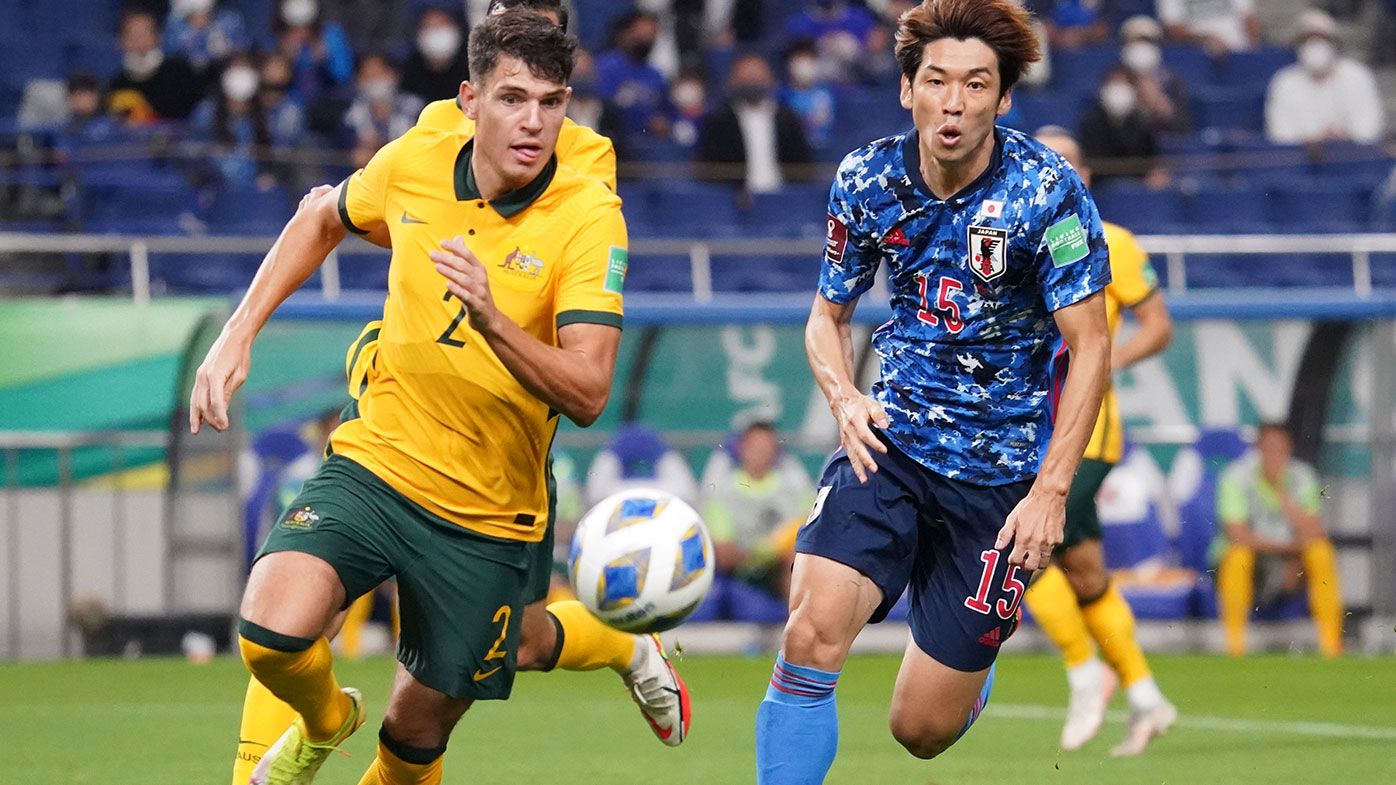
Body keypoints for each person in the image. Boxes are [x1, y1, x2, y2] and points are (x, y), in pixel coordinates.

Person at [223, 6, 685, 785]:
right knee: (281, 625)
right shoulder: (431, 140)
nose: (531, 116)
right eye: (510, 94)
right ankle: (318, 725)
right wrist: (237, 334)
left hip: (491, 488)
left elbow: (584, 380)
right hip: (385, 443)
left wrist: (491, 317)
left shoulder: (587, 184)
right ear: (472, 90)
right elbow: (342, 214)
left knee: (452, 699)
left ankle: (618, 640)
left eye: (549, 97)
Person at [754, 2, 1111, 781]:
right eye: (938, 80)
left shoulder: (1048, 193)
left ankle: (964, 678)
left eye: (977, 84)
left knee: (919, 729)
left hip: (1001, 480)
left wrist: (1053, 490)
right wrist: (847, 398)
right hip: (891, 442)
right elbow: (826, 316)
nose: (955, 102)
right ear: (907, 89)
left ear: (1004, 98)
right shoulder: (867, 178)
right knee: (809, 630)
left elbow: (1092, 346)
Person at [1024, 126, 1178, 758]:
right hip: (1024, 432)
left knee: (1014, 545)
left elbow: (1158, 326)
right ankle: (1145, 695)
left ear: (1084, 177)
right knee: (1084, 572)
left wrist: (1104, 365)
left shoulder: (1111, 241)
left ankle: (1085, 673)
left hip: (1085, 435)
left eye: (1066, 162)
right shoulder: (1011, 243)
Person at [1214, 423, 1344, 658]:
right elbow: (1237, 535)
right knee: (1237, 556)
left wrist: (1282, 494)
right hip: (1254, 565)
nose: (1274, 454)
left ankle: (1331, 648)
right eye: (1268, 448)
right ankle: (1234, 648)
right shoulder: (1236, 477)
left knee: (1321, 552)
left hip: (1291, 563)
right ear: (1257, 449)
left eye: (1279, 448)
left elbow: (1314, 530)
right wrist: (1290, 548)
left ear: (1289, 449)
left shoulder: (1302, 477)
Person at [701, 421, 815, 599]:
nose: (760, 454)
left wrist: (780, 549)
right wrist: (761, 554)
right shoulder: (721, 492)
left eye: (766, 447)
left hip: (783, 570)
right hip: (741, 575)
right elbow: (723, 554)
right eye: (755, 447)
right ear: (741, 448)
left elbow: (811, 529)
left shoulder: (795, 488)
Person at [697, 52, 814, 193]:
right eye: (746, 77)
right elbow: (711, 167)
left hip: (783, 198)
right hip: (734, 200)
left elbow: (802, 164)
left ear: (770, 79)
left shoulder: (787, 119)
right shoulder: (719, 120)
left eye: (757, 76)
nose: (752, 82)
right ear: (732, 80)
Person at [1264, 9, 1384, 145]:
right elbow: (1280, 135)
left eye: (1321, 39)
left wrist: (1339, 138)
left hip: (1353, 158)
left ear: (1334, 43)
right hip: (1301, 162)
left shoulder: (1358, 76)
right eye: (1306, 40)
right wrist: (1315, 139)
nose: (1314, 45)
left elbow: (1369, 130)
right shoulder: (1284, 82)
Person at [108, 9, 203, 122]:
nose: (139, 39)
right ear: (122, 40)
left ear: (157, 36)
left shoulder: (179, 70)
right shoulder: (117, 82)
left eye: (144, 32)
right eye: (132, 33)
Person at [1078, 67, 1165, 186]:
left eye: (1123, 84)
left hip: (1138, 186)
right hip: (1100, 186)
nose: (1118, 90)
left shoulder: (1142, 121)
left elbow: (1151, 159)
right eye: (1114, 83)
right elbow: (1090, 161)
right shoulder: (1090, 121)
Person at [595, 10, 671, 138]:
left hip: (648, 142)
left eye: (651, 35)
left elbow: (666, 111)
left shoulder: (656, 75)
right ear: (625, 34)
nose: (646, 39)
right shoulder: (606, 66)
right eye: (642, 34)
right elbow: (605, 106)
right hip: (616, 138)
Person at [401, 6, 470, 104]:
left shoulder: (475, 69)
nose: (436, 32)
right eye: (429, 27)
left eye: (442, 24)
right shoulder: (408, 74)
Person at [1156, 0, 1259, 54]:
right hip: (1197, 59)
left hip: (1239, 54)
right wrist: (1205, 39)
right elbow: (1173, 29)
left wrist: (1252, 51)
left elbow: (1248, 18)